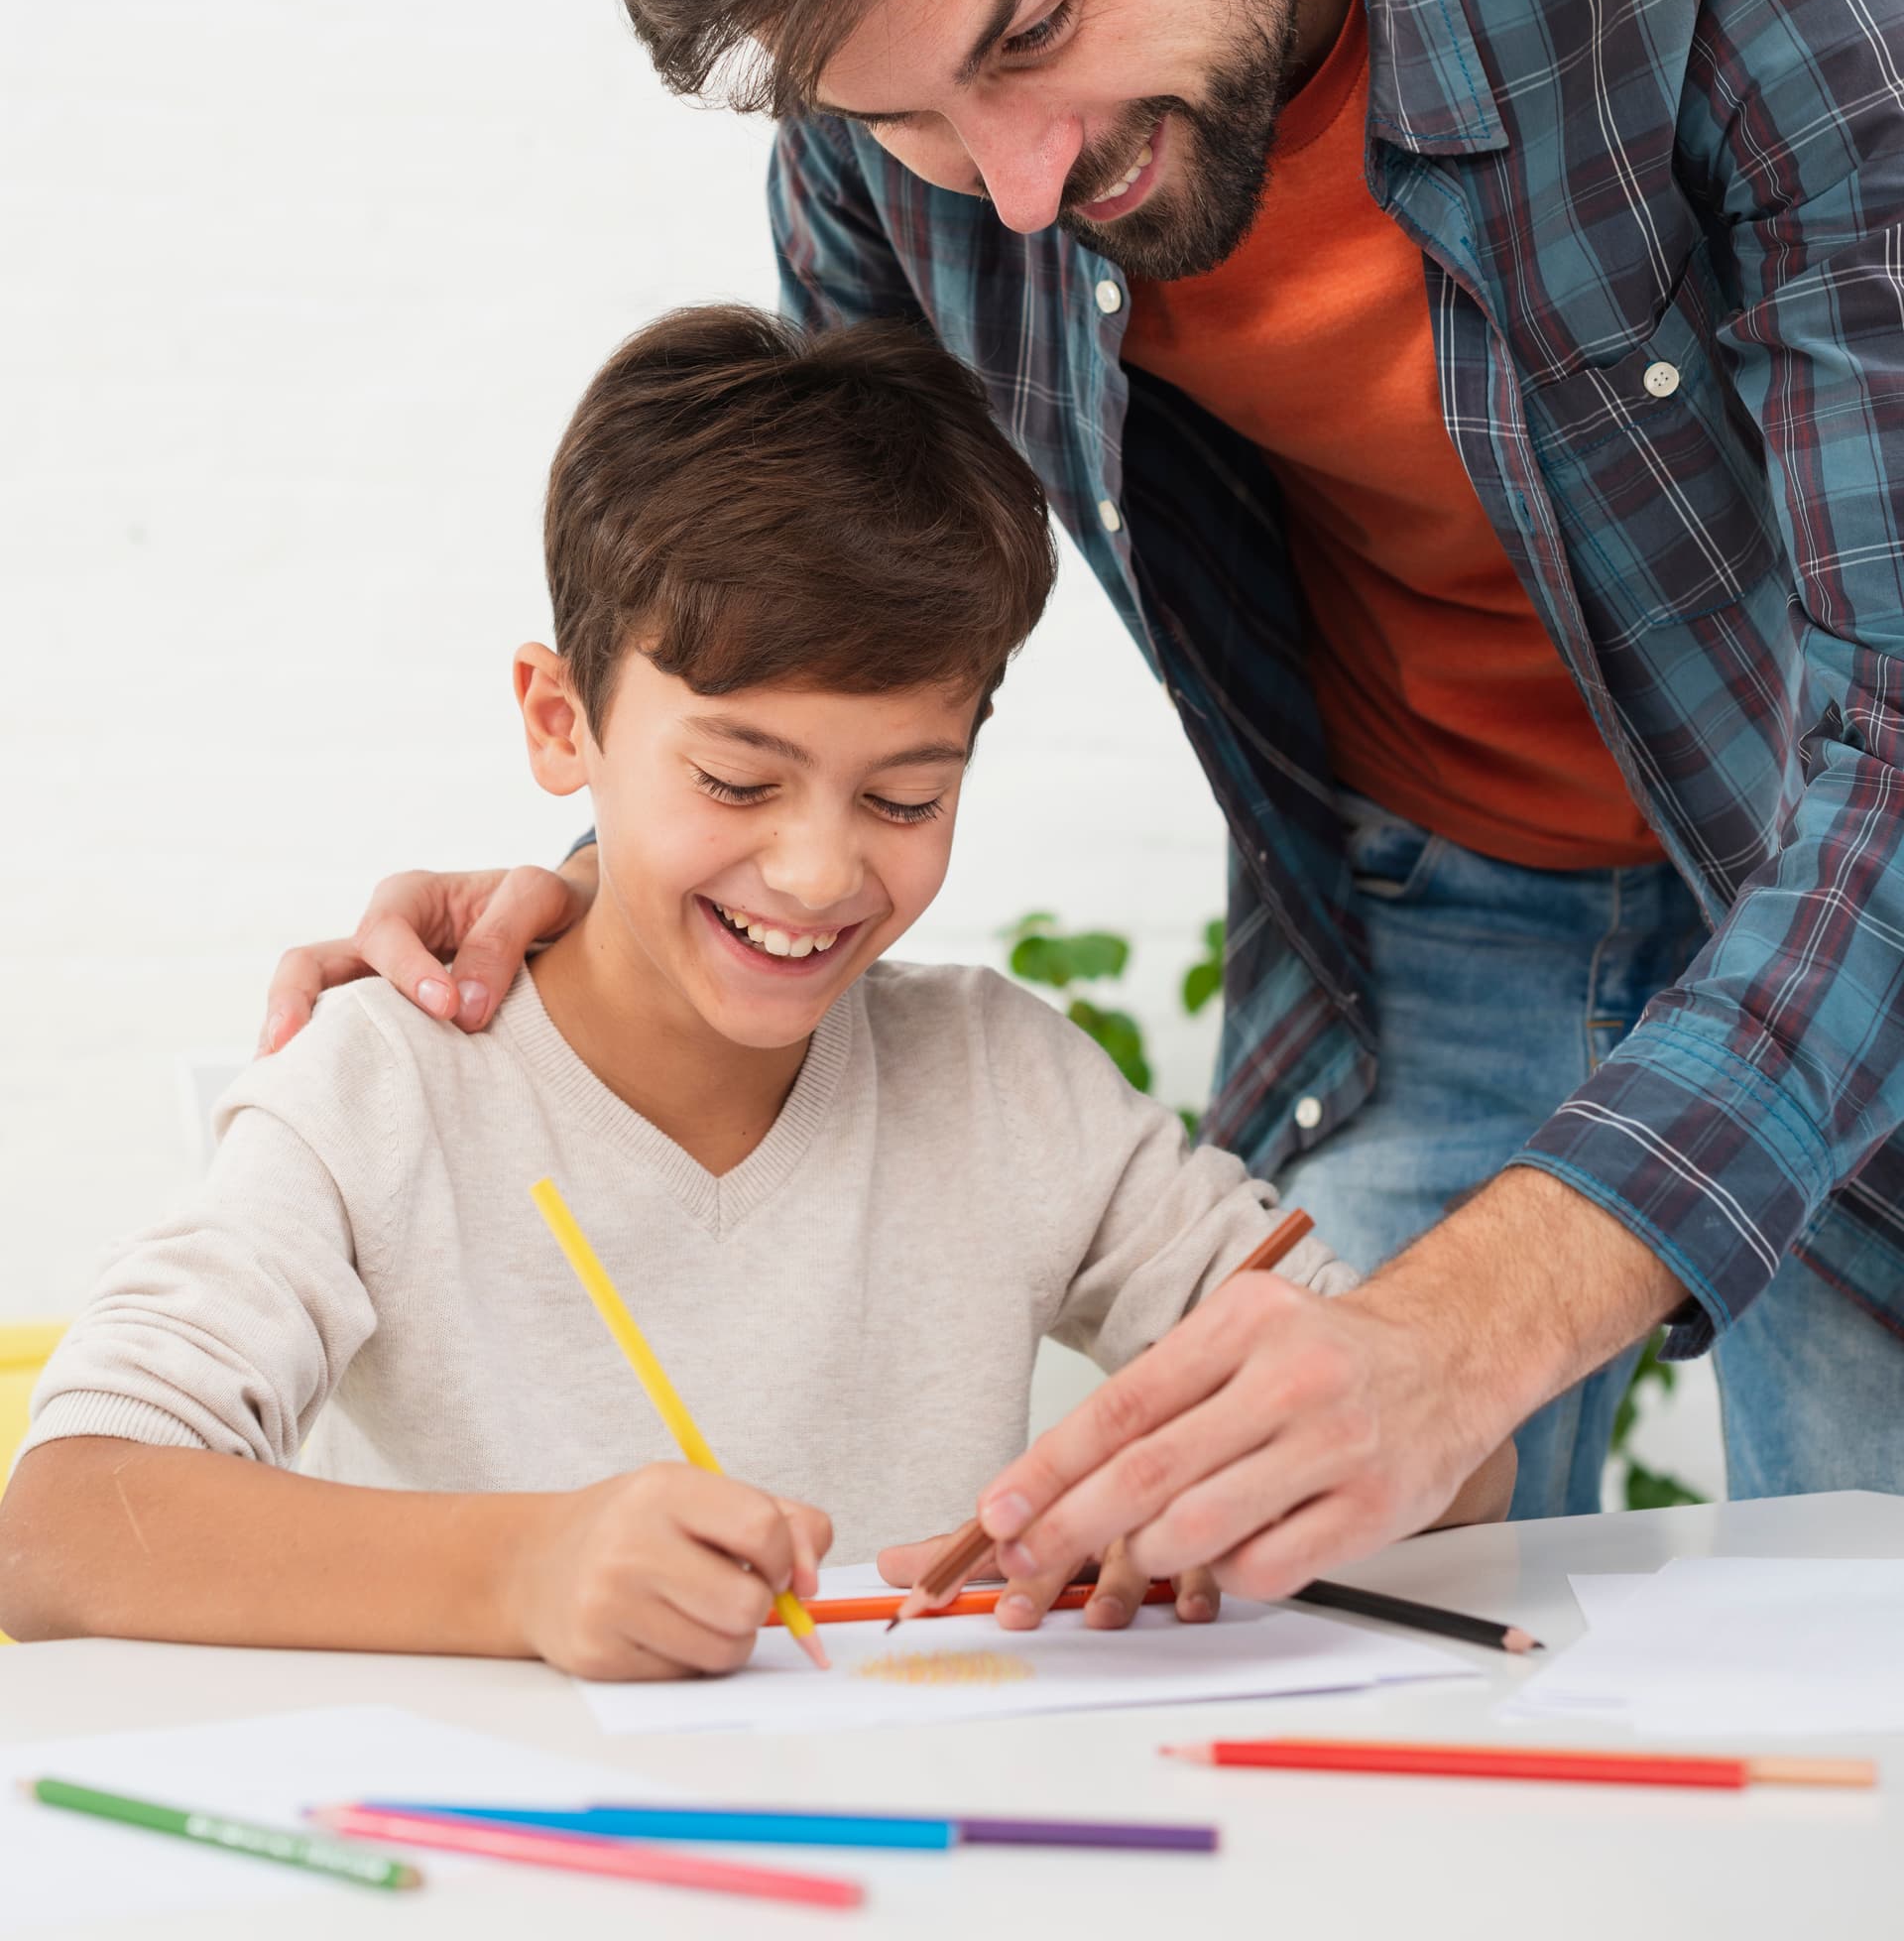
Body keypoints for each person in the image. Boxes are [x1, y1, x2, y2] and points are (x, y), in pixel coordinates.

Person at [261, 0, 1904, 1600]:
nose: (1019, 187)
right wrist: (604, 897)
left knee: (1855, 1643)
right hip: (1419, 918)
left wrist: (1460, 1338)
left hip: (1838, 878)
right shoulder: (902, 164)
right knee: (1322, 1615)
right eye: (912, 117)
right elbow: (838, 612)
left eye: (1032, 32)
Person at [0, 311, 1507, 1672]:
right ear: (561, 723)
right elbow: (55, 1530)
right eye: (736, 780)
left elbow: (1457, 1454)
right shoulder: (385, 1086)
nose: (815, 870)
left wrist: (1216, 1489)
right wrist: (523, 1573)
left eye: (907, 799)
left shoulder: (1008, 1087)